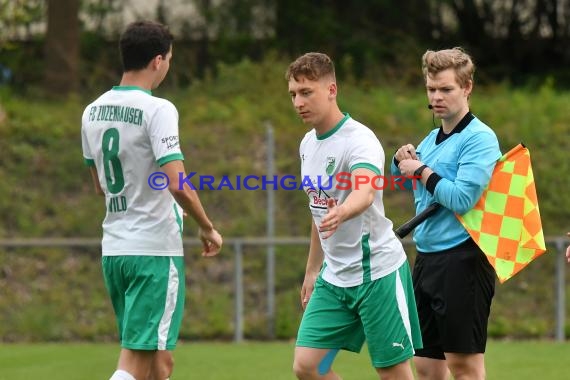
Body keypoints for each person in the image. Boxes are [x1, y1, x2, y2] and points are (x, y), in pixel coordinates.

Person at [81, 21, 222, 380]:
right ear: (158, 60)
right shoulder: (158, 109)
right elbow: (179, 184)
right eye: (170, 59)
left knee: (160, 361)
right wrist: (207, 227)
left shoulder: (92, 111)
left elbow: (99, 186)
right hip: (153, 253)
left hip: (115, 250)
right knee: (134, 362)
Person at [286, 52, 422, 380]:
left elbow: (365, 192)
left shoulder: (360, 140)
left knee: (392, 372)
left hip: (376, 273)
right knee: (308, 366)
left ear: (331, 90)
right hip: (334, 278)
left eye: (307, 92)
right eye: (293, 94)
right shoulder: (307, 144)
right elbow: (318, 211)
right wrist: (311, 270)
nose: (298, 102)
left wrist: (343, 210)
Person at [391, 47, 501, 380]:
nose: (436, 97)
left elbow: (462, 198)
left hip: (463, 260)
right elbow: (417, 189)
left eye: (446, 89)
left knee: (464, 367)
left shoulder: (480, 138)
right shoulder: (431, 138)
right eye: (431, 89)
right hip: (426, 259)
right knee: (426, 368)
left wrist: (421, 169)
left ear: (467, 88)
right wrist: (401, 163)